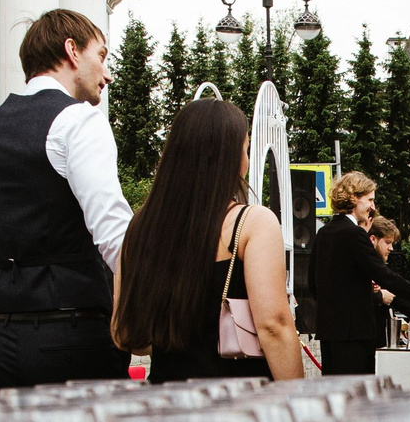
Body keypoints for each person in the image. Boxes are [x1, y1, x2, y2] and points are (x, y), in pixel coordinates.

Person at [0, 7, 132, 392]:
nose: (107, 73)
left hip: (3, 343)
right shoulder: (79, 121)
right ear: (72, 51)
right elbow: (115, 236)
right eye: (101, 56)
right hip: (74, 341)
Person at [114, 98, 304, 384]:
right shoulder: (252, 223)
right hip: (241, 403)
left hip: (167, 402)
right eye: (246, 148)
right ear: (229, 156)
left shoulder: (140, 228)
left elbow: (125, 335)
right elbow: (274, 326)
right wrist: (299, 405)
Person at [310, 172, 410, 377]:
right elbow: (384, 275)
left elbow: (313, 283)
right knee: (357, 398)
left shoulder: (324, 233)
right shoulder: (354, 234)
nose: (372, 206)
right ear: (354, 198)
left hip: (329, 332)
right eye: (370, 199)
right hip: (355, 333)